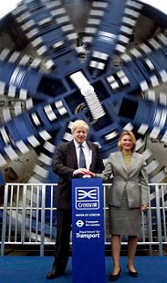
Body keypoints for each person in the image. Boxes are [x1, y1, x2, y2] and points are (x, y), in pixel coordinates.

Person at [46, 119, 104, 279]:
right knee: (62, 236)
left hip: (87, 201)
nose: (81, 134)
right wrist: (74, 172)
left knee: (87, 235)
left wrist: (93, 176)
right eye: (78, 131)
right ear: (73, 133)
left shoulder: (95, 148)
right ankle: (58, 268)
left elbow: (100, 167)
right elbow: (56, 166)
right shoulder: (63, 148)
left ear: (87, 133)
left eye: (83, 132)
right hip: (66, 197)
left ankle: (87, 265)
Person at [92, 130, 149, 281]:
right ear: (120, 142)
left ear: (133, 142)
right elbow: (105, 176)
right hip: (116, 199)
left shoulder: (140, 158)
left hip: (134, 200)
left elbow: (144, 182)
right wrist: (93, 176)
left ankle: (130, 264)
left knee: (133, 234)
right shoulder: (112, 157)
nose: (127, 142)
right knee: (115, 234)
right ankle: (116, 266)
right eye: (124, 140)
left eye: (129, 140)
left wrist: (145, 201)